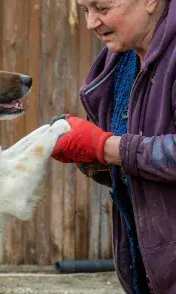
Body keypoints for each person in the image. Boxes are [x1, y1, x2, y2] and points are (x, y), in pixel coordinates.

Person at [51, 0, 176, 293]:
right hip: (149, 268)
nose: (91, 23)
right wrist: (89, 155)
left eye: (103, 9)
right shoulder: (120, 62)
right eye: (85, 10)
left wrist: (106, 147)